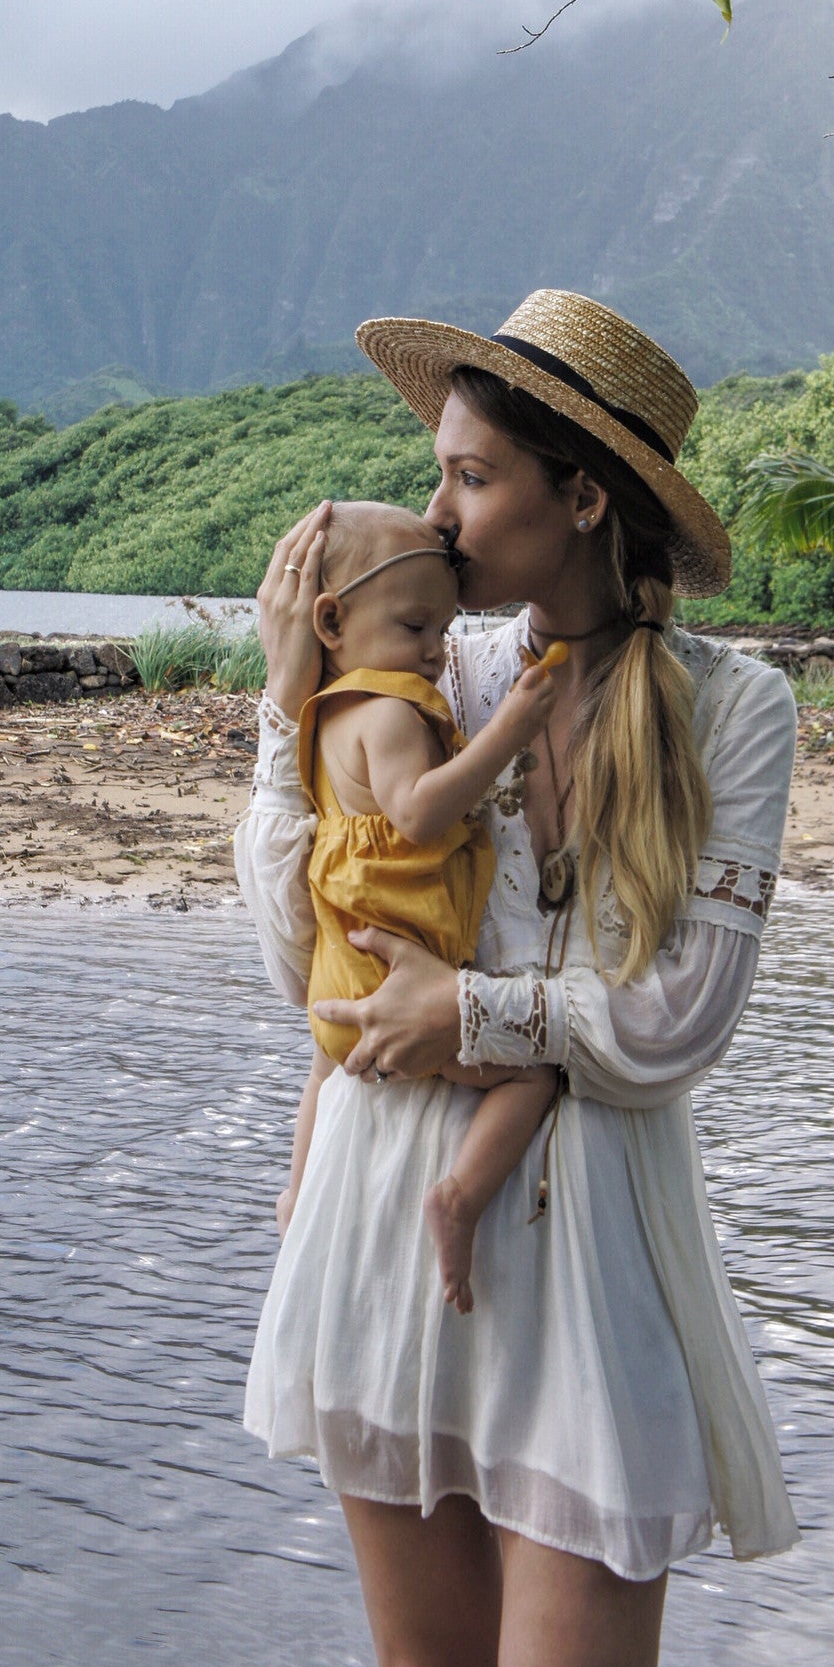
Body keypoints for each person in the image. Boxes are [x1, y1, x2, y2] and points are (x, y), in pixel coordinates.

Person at [236, 289, 799, 1667]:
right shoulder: (434, 668)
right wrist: (279, 703)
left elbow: (682, 1020)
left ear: (587, 498)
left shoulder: (734, 708)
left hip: (592, 1250)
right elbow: (305, 958)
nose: (437, 518)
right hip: (386, 1213)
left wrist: (473, 1017)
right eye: (438, 474)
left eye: (473, 478)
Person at [275, 497, 563, 1312]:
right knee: (531, 1078)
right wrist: (508, 730)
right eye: (415, 630)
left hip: (342, 979)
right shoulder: (393, 712)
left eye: (443, 633)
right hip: (392, 982)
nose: (437, 654)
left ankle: (295, 1194)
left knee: (323, 1068)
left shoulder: (320, 717)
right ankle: (460, 1198)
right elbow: (421, 812)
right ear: (330, 620)